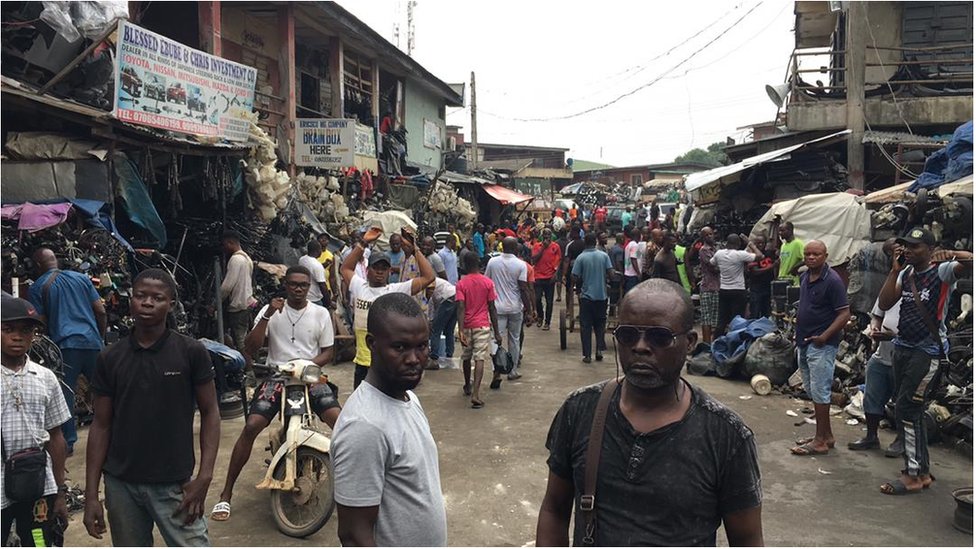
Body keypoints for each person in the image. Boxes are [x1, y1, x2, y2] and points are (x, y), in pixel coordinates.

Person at [536, 279, 763, 546]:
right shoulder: (580, 410)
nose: (640, 347)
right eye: (628, 335)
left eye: (659, 337)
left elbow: (746, 538)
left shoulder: (725, 435)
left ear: (690, 343)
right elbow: (554, 509)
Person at [84, 269, 219, 546]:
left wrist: (204, 477)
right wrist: (90, 495)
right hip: (122, 485)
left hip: (175, 484)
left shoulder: (191, 352)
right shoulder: (110, 358)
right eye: (140, 296)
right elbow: (101, 424)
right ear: (130, 300)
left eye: (157, 298)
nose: (147, 303)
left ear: (170, 304)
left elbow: (210, 412)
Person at [210, 265, 339, 522]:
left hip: (309, 375)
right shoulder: (271, 311)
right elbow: (250, 346)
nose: (299, 289)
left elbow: (328, 351)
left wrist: (309, 366)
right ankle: (225, 494)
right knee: (251, 425)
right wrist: (268, 315)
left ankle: (353, 483)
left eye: (303, 285)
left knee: (339, 420)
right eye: (294, 284)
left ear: (309, 287)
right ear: (287, 285)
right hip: (277, 376)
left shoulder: (321, 313)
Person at [333, 293, 447, 547]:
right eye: (400, 347)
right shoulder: (365, 426)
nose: (414, 359)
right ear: (372, 343)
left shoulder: (408, 399)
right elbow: (353, 534)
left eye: (422, 346)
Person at [877, 227, 972, 494]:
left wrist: (952, 253)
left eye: (916, 246)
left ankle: (914, 475)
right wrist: (894, 270)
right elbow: (885, 303)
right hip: (903, 347)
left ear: (930, 250)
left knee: (907, 408)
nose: (908, 250)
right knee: (910, 409)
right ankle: (922, 471)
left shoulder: (941, 271)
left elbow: (971, 262)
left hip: (927, 351)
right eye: (906, 245)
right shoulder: (906, 273)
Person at [1, 295, 71, 547]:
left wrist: (60, 492)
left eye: (26, 330)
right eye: (7, 329)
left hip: (37, 485)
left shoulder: (45, 378)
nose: (17, 337)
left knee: (39, 540)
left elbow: (56, 435)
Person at [29, 247, 106, 457]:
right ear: (56, 260)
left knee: (65, 396)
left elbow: (40, 322)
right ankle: (118, 435)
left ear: (38, 266)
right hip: (92, 343)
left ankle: (68, 443)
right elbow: (100, 310)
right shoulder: (81, 278)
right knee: (105, 391)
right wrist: (99, 337)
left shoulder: (38, 287)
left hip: (65, 347)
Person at [342, 227, 435, 389]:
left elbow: (429, 277)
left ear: (389, 271)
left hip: (385, 363)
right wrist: (363, 243)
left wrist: (415, 250)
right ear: (368, 270)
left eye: (384, 269)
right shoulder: (359, 286)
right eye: (376, 268)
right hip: (363, 362)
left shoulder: (395, 290)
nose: (379, 272)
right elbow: (345, 268)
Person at [790, 241, 850, 457]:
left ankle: (820, 441)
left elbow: (844, 314)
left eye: (816, 254)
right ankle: (826, 436)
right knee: (812, 390)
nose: (811, 257)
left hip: (821, 344)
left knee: (820, 391)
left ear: (826, 255)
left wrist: (824, 336)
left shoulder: (832, 281)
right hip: (805, 342)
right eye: (807, 254)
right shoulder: (805, 276)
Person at [847, 297, 901, 453]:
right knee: (872, 395)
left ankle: (902, 440)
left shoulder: (924, 291)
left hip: (907, 357)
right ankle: (871, 436)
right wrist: (875, 329)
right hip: (882, 353)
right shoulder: (891, 291)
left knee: (903, 402)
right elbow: (877, 315)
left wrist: (893, 337)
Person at [455, 253, 503, 408]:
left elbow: (460, 307)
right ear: (479, 264)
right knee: (479, 358)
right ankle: (476, 394)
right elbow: (492, 308)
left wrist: (461, 330)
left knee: (466, 357)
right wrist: (496, 332)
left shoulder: (461, 284)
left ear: (465, 265)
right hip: (482, 325)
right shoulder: (488, 282)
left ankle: (467, 385)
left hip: (467, 325)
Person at [485, 237, 533, 385]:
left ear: (502, 247)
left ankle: (497, 371)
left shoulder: (493, 262)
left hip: (497, 308)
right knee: (514, 339)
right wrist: (529, 309)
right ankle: (512, 372)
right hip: (515, 307)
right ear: (516, 249)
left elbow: (487, 282)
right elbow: (523, 288)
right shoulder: (521, 265)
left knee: (495, 339)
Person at [571, 233, 613, 364]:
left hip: (586, 297)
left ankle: (587, 355)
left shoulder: (581, 258)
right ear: (595, 242)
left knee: (586, 326)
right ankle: (599, 350)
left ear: (585, 243)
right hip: (601, 296)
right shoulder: (604, 256)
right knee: (600, 324)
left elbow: (574, 276)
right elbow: (611, 274)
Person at [710, 234, 762, 337]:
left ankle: (716, 343)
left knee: (722, 320)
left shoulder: (719, 254)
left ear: (726, 243)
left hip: (724, 290)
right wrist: (750, 243)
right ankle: (735, 343)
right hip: (738, 291)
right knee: (737, 320)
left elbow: (712, 263)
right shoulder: (740, 255)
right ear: (738, 244)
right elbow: (760, 256)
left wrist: (722, 269)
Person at [219, 231, 257, 353]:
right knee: (246, 336)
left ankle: (249, 369)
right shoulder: (247, 259)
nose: (224, 248)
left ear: (231, 243)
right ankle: (252, 362)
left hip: (238, 305)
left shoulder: (235, 260)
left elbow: (227, 286)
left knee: (240, 339)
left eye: (225, 245)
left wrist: (216, 303)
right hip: (247, 302)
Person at [425, 276, 457, 371]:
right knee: (449, 331)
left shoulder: (428, 284)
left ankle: (434, 358)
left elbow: (432, 318)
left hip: (447, 298)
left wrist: (431, 324)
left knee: (436, 330)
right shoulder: (436, 282)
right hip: (457, 297)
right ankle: (449, 356)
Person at [532, 228, 561, 331]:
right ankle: (540, 316)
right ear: (542, 236)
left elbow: (558, 261)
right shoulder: (536, 246)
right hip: (538, 276)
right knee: (537, 298)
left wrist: (555, 274)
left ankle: (547, 322)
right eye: (545, 235)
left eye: (548, 235)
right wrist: (542, 248)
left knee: (549, 301)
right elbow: (534, 260)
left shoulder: (556, 247)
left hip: (550, 277)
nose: (546, 237)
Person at [698, 227, 720, 344]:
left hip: (717, 286)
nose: (710, 236)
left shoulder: (715, 249)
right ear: (703, 237)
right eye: (707, 235)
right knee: (707, 318)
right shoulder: (704, 250)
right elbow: (714, 268)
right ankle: (707, 345)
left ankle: (714, 344)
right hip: (707, 287)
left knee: (715, 319)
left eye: (711, 234)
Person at [747, 235, 775, 319]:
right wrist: (771, 266)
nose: (760, 245)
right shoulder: (752, 256)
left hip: (768, 288)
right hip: (756, 289)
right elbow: (755, 272)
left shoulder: (769, 254)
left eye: (762, 243)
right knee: (755, 313)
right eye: (757, 243)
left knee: (766, 313)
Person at [299, 240, 330, 308]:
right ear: (318, 250)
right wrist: (329, 303)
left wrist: (324, 265)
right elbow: (322, 286)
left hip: (304, 296)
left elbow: (311, 271)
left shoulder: (302, 259)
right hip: (314, 299)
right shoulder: (317, 265)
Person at [317, 233, 340, 308]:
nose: (323, 240)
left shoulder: (330, 256)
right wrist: (323, 265)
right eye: (321, 238)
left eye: (326, 239)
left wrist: (335, 292)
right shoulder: (313, 254)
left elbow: (332, 276)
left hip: (326, 289)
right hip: (315, 288)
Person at [622, 227, 641, 293]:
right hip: (632, 275)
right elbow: (634, 259)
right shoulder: (634, 245)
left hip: (628, 273)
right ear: (638, 236)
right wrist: (638, 273)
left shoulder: (629, 245)